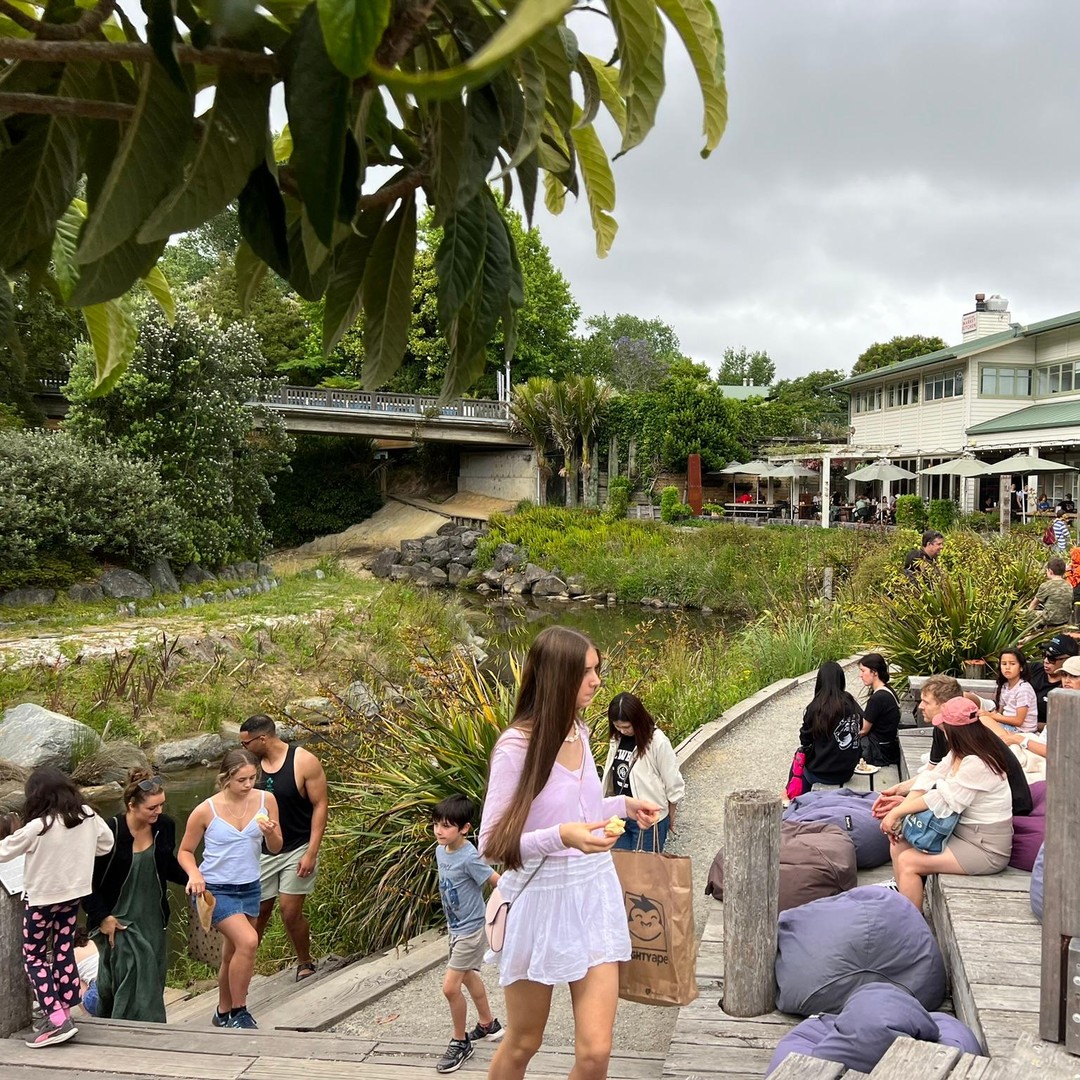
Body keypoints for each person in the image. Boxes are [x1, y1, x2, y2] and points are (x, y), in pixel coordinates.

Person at [478, 626, 660, 1080]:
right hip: (538, 900)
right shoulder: (516, 746)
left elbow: (580, 811)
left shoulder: (578, 730)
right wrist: (561, 836)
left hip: (592, 893)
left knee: (596, 1052)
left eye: (597, 669)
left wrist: (623, 806)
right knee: (524, 1041)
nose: (597, 681)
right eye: (585, 672)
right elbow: (491, 844)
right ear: (556, 677)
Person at [0, 767, 114, 1048]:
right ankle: (64, 1008)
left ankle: (55, 1018)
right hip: (73, 897)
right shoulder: (87, 815)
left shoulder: (39, 826)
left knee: (33, 957)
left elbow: (5, 851)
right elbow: (106, 844)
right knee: (63, 950)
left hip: (41, 901)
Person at [873, 697, 1013, 911]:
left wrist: (897, 812)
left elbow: (941, 799)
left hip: (985, 847)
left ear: (955, 731)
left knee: (908, 862)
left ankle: (911, 924)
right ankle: (905, 902)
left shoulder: (977, 762)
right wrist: (900, 806)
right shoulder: (960, 753)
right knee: (899, 842)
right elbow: (930, 777)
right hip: (960, 833)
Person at [178, 748, 282, 1030]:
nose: (248, 785)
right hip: (215, 889)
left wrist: (271, 833)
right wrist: (194, 873)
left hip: (250, 886)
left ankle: (222, 1012)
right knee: (248, 941)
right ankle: (239, 1011)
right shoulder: (206, 810)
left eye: (252, 778)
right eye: (241, 780)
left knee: (232, 952)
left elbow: (276, 847)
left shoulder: (266, 800)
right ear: (225, 778)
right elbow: (185, 851)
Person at [83, 769, 190, 1022]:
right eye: (152, 807)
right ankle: (136, 1033)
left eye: (162, 805)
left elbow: (166, 865)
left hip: (152, 916)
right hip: (118, 919)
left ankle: (131, 1027)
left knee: (151, 977)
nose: (159, 811)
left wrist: (193, 879)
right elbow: (84, 880)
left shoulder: (164, 826)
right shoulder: (109, 831)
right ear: (132, 805)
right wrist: (102, 917)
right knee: (129, 975)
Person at [243, 714, 329, 982]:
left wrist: (311, 852)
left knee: (290, 911)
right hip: (262, 850)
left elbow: (320, 805)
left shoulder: (303, 761)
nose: (243, 748)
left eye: (246, 743)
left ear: (262, 739)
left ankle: (304, 961)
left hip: (297, 846)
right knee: (257, 914)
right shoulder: (250, 766)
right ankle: (243, 970)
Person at [431, 795, 503, 1074]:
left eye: (447, 826)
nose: (439, 831)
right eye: (436, 824)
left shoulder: (470, 857)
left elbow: (495, 881)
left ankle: (460, 1042)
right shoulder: (441, 850)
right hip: (455, 928)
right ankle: (488, 1024)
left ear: (464, 828)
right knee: (469, 976)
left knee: (450, 988)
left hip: (471, 930)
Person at [914, 676, 1032, 817]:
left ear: (945, 706)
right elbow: (933, 772)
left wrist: (902, 808)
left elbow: (951, 795)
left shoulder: (973, 733)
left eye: (926, 702)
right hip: (972, 797)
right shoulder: (942, 729)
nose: (920, 706)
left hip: (1008, 807)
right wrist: (901, 791)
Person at [601, 692, 686, 852]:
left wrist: (669, 817)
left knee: (645, 866)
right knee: (619, 864)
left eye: (626, 727)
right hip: (619, 815)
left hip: (648, 819)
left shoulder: (657, 741)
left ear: (638, 720)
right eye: (617, 726)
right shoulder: (616, 739)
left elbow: (673, 783)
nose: (622, 731)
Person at [796, 661, 864, 788]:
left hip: (820, 773)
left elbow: (805, 739)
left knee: (798, 766)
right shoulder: (850, 702)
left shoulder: (816, 706)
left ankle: (794, 796)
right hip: (846, 772)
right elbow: (862, 723)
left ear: (820, 681)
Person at [1026, 632, 1078, 728]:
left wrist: (1028, 725)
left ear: (1068, 659)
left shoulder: (1069, 687)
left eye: (1052, 658)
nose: (1046, 661)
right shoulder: (1034, 669)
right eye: (1044, 655)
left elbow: (1063, 726)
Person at [978, 647, 1036, 733]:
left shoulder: (1024, 689)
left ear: (1021, 667)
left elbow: (1018, 721)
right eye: (1004, 664)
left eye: (1012, 664)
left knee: (984, 721)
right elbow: (1000, 711)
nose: (1007, 667)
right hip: (1006, 724)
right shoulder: (1005, 686)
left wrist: (991, 716)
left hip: (1021, 730)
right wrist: (990, 715)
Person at [856, 653, 900, 766]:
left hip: (879, 751)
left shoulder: (878, 698)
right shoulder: (888, 689)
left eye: (863, 671)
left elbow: (863, 731)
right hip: (888, 747)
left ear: (874, 672)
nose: (860, 675)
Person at [1029, 557, 1074, 630]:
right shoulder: (1069, 585)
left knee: (1027, 613)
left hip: (1050, 620)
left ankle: (1033, 632)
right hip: (1065, 619)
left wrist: (1026, 615)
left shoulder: (1046, 585)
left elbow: (1034, 604)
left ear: (1050, 571)